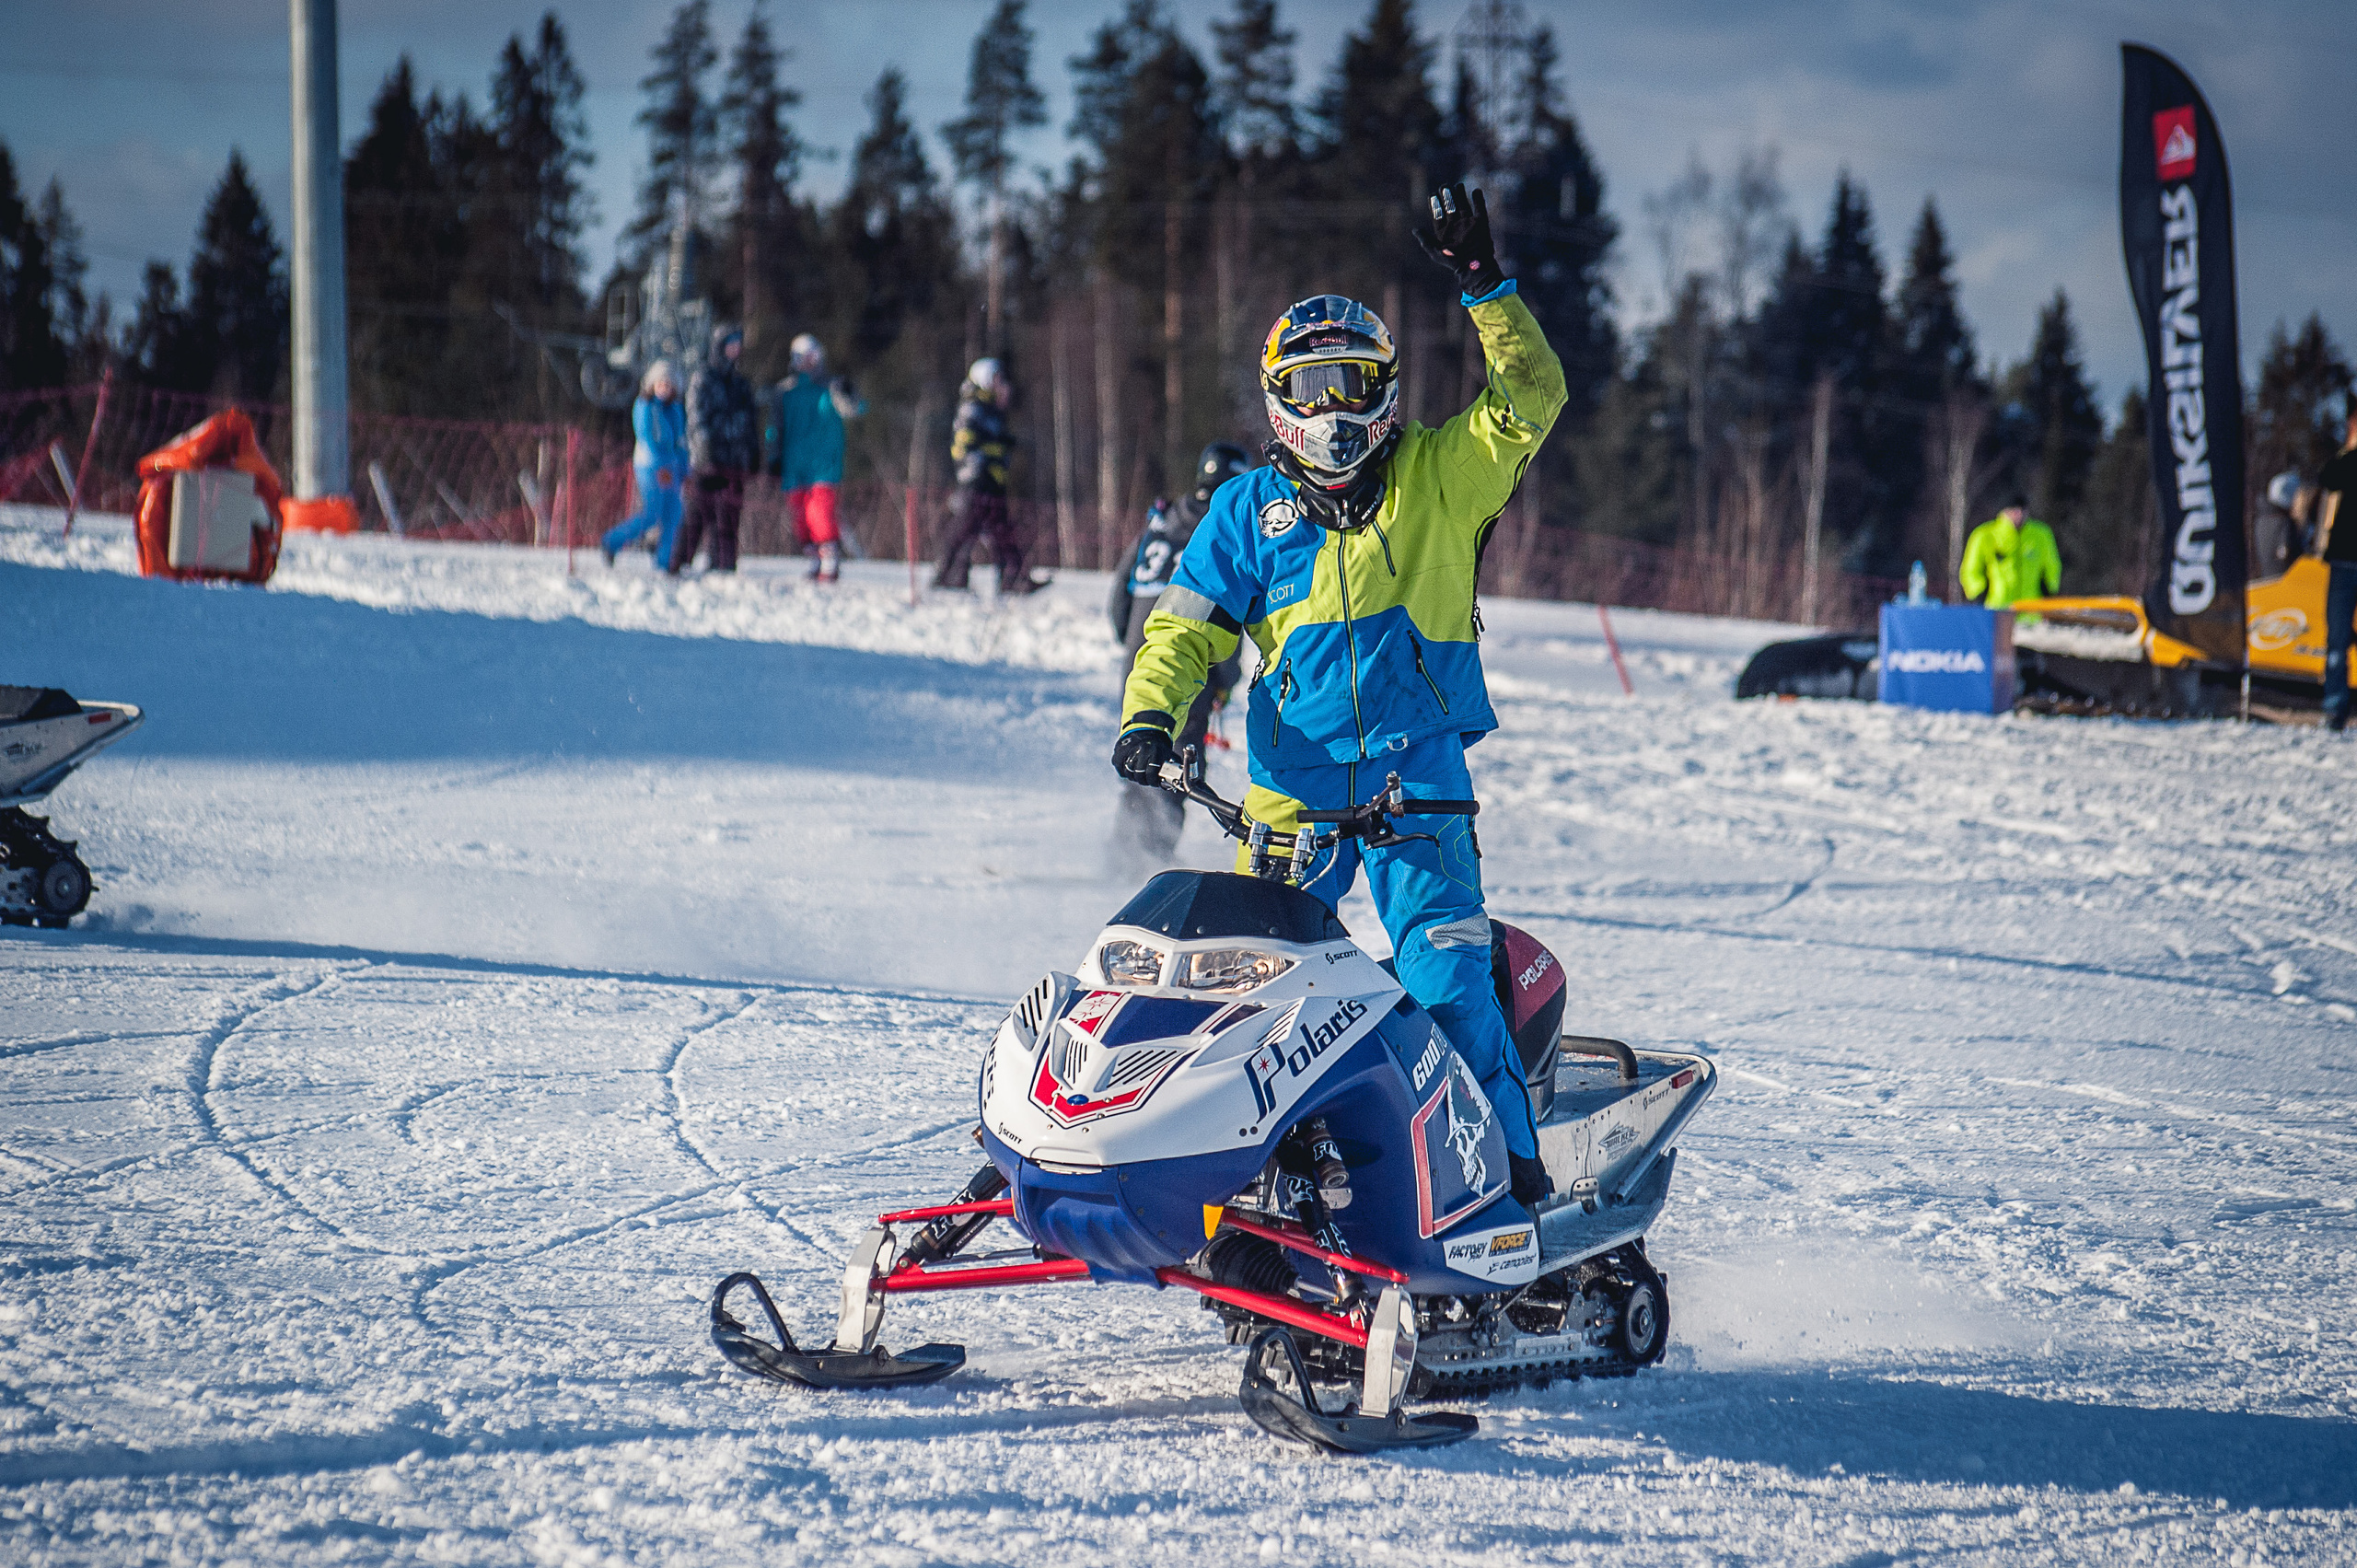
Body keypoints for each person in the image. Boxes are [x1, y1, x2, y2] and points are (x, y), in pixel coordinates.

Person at [1109, 183, 1566, 1208]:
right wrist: (1149, 714)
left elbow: (1531, 399)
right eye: (1311, 387)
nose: (1334, 409)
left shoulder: (1443, 475)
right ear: (1278, 399)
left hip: (1420, 784)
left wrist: (1483, 283)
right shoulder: (1243, 510)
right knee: (1244, 995)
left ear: (1389, 392)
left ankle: (1511, 1191)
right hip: (1288, 791)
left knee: (1448, 984)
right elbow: (1183, 628)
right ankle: (1234, 1188)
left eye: (1353, 383)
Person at [1109, 443, 1253, 860]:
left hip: (1140, 663)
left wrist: (1131, 643)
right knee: (1178, 763)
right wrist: (1226, 678)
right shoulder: (1222, 528)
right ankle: (1147, 856)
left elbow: (1119, 594)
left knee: (1139, 751)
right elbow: (1218, 613)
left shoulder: (1160, 521)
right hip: (1188, 667)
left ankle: (1127, 849)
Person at [934, 358, 1041, 594]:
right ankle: (947, 574)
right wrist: (995, 450)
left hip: (993, 478)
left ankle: (1014, 578)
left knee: (1002, 529)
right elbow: (965, 444)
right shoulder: (972, 407)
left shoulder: (992, 408)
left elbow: (996, 440)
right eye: (995, 379)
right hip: (978, 478)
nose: (999, 383)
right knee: (965, 526)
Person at [769, 333, 865, 583]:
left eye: (814, 357)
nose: (810, 362)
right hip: (794, 465)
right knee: (800, 518)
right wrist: (773, 456)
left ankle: (830, 562)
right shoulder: (784, 392)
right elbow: (774, 427)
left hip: (824, 465)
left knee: (820, 513)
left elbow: (854, 409)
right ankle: (814, 560)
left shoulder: (831, 387)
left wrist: (850, 394)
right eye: (805, 357)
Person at [672, 325, 759, 575]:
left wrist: (753, 453)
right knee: (698, 514)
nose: (736, 349)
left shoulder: (741, 384)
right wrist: (705, 450)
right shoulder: (704, 378)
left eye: (738, 344)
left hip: (735, 462)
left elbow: (751, 421)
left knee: (729, 518)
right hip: (708, 462)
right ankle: (677, 565)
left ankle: (724, 567)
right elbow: (696, 418)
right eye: (731, 343)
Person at [602, 361, 688, 568]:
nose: (665, 389)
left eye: (668, 385)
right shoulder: (644, 407)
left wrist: (683, 466)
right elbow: (647, 437)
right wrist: (664, 463)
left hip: (671, 468)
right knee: (652, 514)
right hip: (650, 466)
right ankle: (612, 541)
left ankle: (664, 562)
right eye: (661, 384)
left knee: (674, 512)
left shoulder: (675, 409)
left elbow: (680, 441)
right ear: (652, 385)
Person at [2315, 408, 2357, 731]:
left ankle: (2335, 706)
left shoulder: (2349, 462)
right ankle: (2334, 706)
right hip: (2344, 559)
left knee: (2338, 637)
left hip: (2345, 561)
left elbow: (2329, 478)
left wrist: (2349, 448)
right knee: (2338, 637)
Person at [1959, 497, 2061, 610]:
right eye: (2014, 510)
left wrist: (2049, 591)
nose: (2019, 514)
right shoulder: (1985, 535)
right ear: (2004, 510)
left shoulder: (2041, 535)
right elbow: (1970, 570)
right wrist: (1979, 593)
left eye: (2022, 510)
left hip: (2031, 613)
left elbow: (2052, 566)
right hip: (1997, 611)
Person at [2252, 470, 2311, 580]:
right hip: (2291, 582)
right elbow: (2289, 555)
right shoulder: (2283, 523)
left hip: (2270, 583)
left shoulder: (2262, 520)